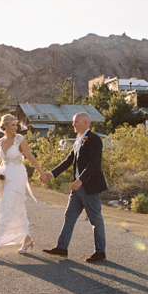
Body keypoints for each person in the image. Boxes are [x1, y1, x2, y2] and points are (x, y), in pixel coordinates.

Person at [39, 112, 108, 262]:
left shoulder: (94, 139)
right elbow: (69, 160)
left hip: (88, 186)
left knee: (96, 220)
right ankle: (62, 248)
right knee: (69, 216)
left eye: (75, 122)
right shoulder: (78, 139)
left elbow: (93, 163)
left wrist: (80, 180)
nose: (73, 125)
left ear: (86, 123)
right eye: (73, 122)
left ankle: (100, 252)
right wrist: (51, 174)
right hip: (77, 188)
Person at [0, 114, 47, 254]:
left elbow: (30, 156)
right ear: (4, 126)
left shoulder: (20, 139)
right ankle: (27, 240)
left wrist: (41, 172)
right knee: (16, 208)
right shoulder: (0, 142)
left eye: (16, 125)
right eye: (12, 125)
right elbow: (3, 161)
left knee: (5, 208)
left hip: (17, 175)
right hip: (4, 175)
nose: (15, 127)